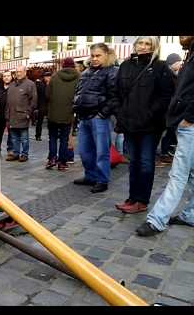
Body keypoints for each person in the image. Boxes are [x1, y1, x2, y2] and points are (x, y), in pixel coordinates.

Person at [136, 36, 194, 236]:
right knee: (191, 173)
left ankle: (157, 219)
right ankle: (191, 214)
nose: (180, 37)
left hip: (190, 124)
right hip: (185, 122)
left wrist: (189, 117)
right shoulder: (190, 53)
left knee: (178, 175)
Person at [113, 36, 175, 214]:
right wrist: (121, 113)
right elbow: (117, 92)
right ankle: (132, 197)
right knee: (134, 162)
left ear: (154, 47)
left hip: (150, 125)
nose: (143, 46)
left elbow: (166, 97)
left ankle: (142, 200)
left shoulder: (160, 67)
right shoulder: (126, 65)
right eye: (140, 43)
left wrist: (149, 114)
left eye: (148, 44)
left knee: (146, 163)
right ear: (135, 45)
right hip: (130, 123)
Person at [72, 43, 118, 193]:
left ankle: (102, 180)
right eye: (92, 55)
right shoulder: (87, 72)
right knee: (84, 151)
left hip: (99, 118)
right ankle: (90, 176)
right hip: (84, 117)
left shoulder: (112, 72)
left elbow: (115, 97)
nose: (95, 58)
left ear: (106, 54)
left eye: (98, 55)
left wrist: (102, 113)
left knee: (101, 152)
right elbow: (79, 92)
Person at [46, 58, 80, 171]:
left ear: (63, 65)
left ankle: (51, 159)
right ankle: (62, 162)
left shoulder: (55, 77)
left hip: (53, 113)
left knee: (53, 138)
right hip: (68, 113)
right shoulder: (79, 78)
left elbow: (48, 95)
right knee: (64, 139)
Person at [5, 65, 37, 162]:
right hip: (12, 115)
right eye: (17, 72)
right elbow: (8, 101)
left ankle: (24, 154)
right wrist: (7, 115)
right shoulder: (12, 85)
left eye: (20, 71)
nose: (18, 73)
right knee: (14, 137)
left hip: (23, 115)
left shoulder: (30, 84)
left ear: (25, 72)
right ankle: (15, 153)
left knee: (24, 137)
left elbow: (34, 101)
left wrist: (28, 113)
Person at [158, 53, 183, 165]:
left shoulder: (176, 74)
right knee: (168, 131)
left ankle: (166, 152)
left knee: (170, 131)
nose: (180, 64)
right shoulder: (168, 75)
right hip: (167, 109)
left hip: (172, 109)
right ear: (172, 63)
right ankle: (164, 153)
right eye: (178, 62)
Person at [35, 71, 50, 141]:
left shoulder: (52, 84)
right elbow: (37, 95)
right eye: (46, 76)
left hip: (50, 105)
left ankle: (51, 135)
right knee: (40, 121)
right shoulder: (40, 85)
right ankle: (38, 135)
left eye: (49, 76)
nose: (48, 78)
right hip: (42, 105)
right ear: (44, 77)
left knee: (51, 121)